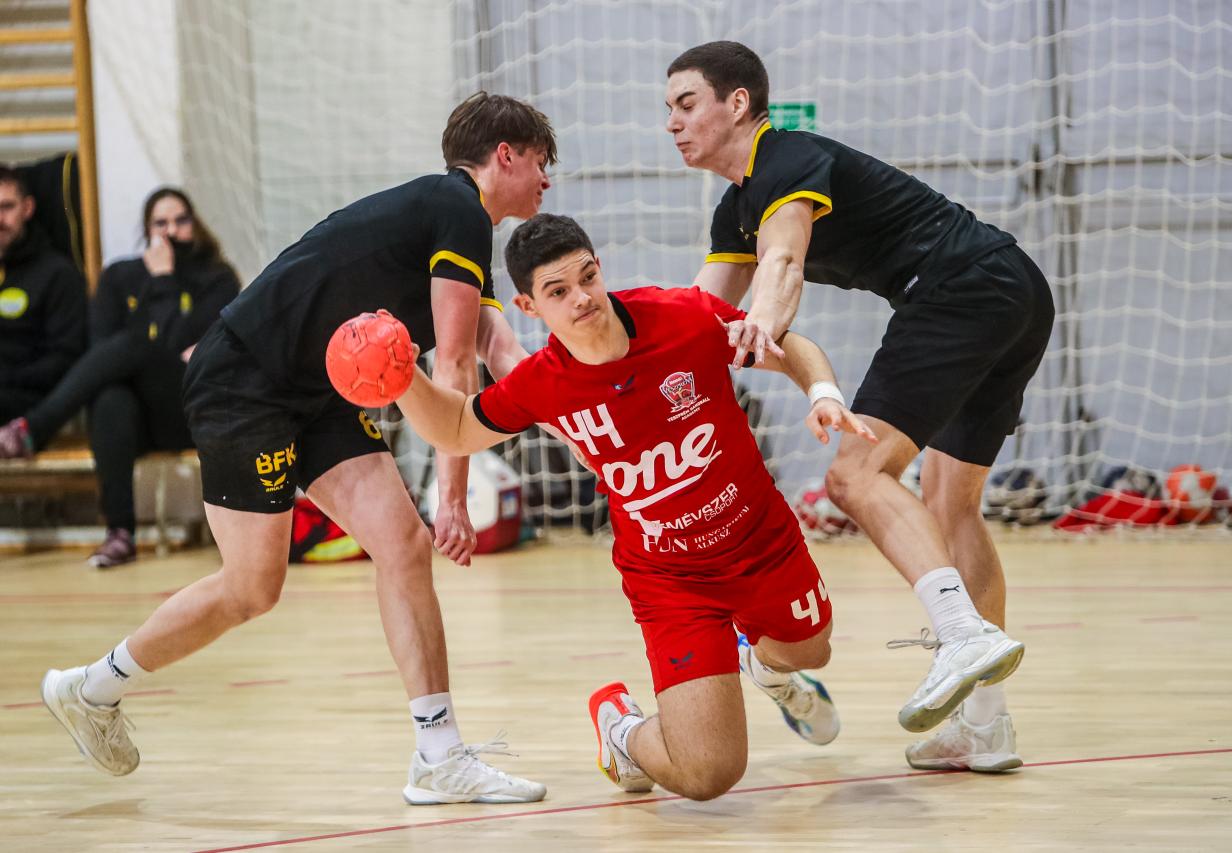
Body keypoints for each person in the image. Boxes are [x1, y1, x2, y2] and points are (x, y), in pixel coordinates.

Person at [40, 93, 554, 805]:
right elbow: (457, 364)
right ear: (505, 154)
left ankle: (438, 756)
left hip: (316, 393)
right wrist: (455, 499)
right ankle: (92, 688)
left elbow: (498, 348)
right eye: (542, 161)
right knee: (253, 588)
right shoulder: (457, 207)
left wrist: (582, 418)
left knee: (403, 544)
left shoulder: (460, 227)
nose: (547, 179)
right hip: (244, 380)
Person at [394, 213, 879, 801]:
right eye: (557, 292)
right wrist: (401, 379)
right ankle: (621, 730)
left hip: (761, 541)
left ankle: (764, 666)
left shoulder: (683, 317)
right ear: (528, 307)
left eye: (587, 277)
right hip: (671, 579)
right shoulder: (542, 382)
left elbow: (786, 346)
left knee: (812, 651)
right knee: (708, 775)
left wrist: (824, 394)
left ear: (600, 269)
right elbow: (455, 427)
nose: (581, 298)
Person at [666, 41, 1050, 773]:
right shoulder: (735, 211)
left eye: (687, 104)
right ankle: (985, 725)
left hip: (959, 290)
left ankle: (961, 633)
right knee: (951, 505)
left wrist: (764, 326)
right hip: (1012, 289)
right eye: (669, 110)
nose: (672, 123)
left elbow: (784, 260)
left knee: (855, 476)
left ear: (738, 104)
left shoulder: (784, 158)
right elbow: (696, 318)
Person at [0, 187, 240, 569]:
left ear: (195, 224)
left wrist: (163, 280)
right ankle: (120, 534)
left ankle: (33, 429)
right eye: (160, 223)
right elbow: (101, 352)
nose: (170, 231)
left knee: (131, 345)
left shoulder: (217, 279)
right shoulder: (119, 276)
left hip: (186, 411)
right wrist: (155, 343)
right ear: (146, 230)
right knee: (111, 396)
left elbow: (179, 349)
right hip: (133, 419)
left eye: (180, 220)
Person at [0, 165, 86, 424]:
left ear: (27, 208)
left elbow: (66, 358)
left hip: (29, 402)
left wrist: (10, 377)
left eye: (6, 207)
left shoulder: (57, 274)